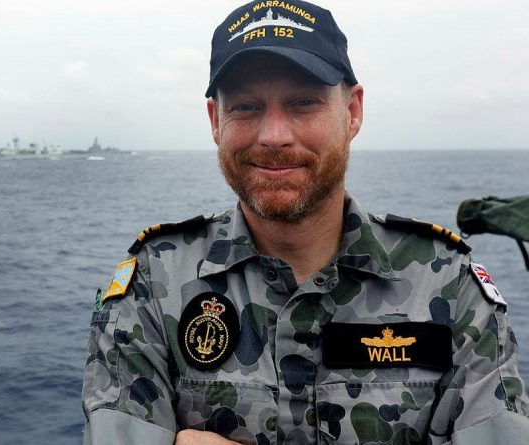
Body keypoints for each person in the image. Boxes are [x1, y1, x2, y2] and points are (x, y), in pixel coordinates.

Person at [81, 1, 529, 443]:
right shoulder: (152, 288)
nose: (274, 135)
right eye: (246, 107)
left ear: (352, 112)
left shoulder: (452, 289)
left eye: (304, 102)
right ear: (216, 121)